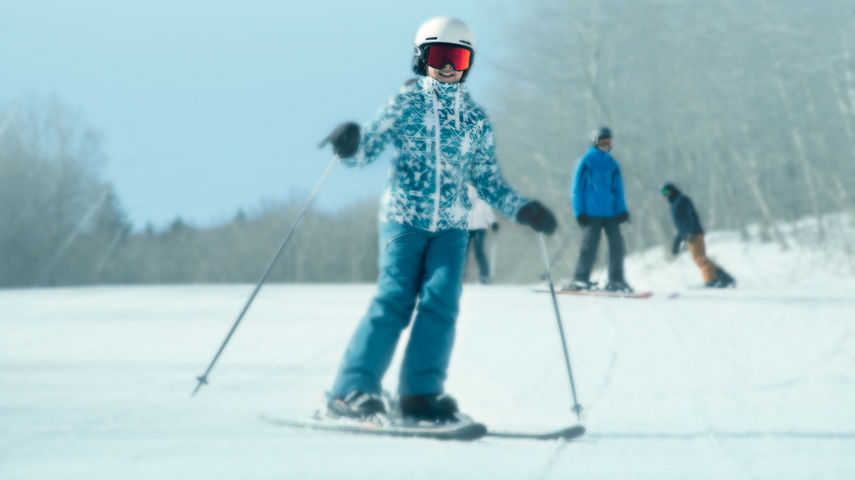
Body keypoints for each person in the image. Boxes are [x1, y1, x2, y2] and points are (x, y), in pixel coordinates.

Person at [320, 17, 557, 425]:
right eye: (439, 55)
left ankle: (419, 395)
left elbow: (488, 180)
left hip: (451, 226)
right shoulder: (404, 105)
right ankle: (350, 390)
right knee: (394, 301)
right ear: (420, 57)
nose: (448, 66)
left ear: (469, 62)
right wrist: (351, 142)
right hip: (403, 221)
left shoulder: (475, 120)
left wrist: (523, 208)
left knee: (441, 305)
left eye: (458, 57)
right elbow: (365, 153)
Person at [567, 127, 633, 293]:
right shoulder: (586, 161)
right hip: (591, 212)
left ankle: (616, 279)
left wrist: (622, 211)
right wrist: (579, 212)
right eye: (603, 141)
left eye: (609, 142)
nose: (606, 145)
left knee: (617, 246)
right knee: (590, 246)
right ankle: (580, 279)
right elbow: (577, 189)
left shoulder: (612, 164)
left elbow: (618, 190)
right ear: (595, 142)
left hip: (610, 213)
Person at [661, 183, 735, 288]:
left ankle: (710, 280)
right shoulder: (673, 206)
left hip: (694, 233)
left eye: (666, 191)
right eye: (663, 193)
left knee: (699, 258)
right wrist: (677, 242)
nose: (665, 195)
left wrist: (691, 231)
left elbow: (692, 215)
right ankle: (724, 278)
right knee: (699, 258)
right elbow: (681, 227)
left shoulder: (682, 199)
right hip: (688, 235)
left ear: (672, 190)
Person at [466, 183, 498, 284]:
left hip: (479, 227)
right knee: (464, 252)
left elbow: (487, 209)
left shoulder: (481, 194)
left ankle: (484, 276)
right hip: (467, 226)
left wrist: (492, 222)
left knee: (478, 252)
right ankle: (459, 275)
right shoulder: (463, 190)